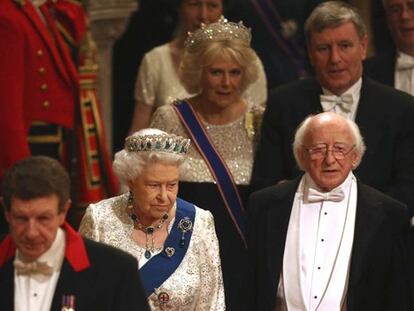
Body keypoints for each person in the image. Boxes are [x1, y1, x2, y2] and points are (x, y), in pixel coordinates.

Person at [251, 0, 414, 215]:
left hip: (376, 237)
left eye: (344, 46)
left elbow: (408, 189)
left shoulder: (401, 108)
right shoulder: (283, 103)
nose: (334, 59)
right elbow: (265, 186)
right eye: (323, 48)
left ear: (363, 47)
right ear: (310, 53)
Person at [149, 16, 262, 310]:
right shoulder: (171, 118)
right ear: (198, 72)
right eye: (216, 72)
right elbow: (148, 189)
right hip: (183, 257)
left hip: (244, 259)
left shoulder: (260, 120)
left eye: (235, 73)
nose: (226, 83)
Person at [246, 112, 410, 311]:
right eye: (318, 149)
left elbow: (398, 297)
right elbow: (249, 283)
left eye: (340, 149)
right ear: (300, 156)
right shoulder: (263, 205)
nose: (330, 159)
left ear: (356, 156)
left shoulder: (390, 215)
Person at [79, 128, 225, 310]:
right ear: (131, 181)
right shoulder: (99, 218)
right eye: (153, 185)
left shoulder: (200, 222)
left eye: (172, 185)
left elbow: (212, 303)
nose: (164, 196)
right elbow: (81, 293)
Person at [0, 156, 149, 311]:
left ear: (63, 211)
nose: (31, 233)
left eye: (43, 218)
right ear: (6, 211)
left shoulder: (116, 271)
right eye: (21, 218)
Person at [128, 0, 267, 133]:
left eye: (212, 5)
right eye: (194, 4)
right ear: (180, 7)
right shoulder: (155, 60)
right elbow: (138, 134)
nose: (203, 15)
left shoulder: (246, 61)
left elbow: (260, 128)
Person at [364, 0, 414, 95]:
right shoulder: (366, 74)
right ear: (387, 19)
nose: (404, 16)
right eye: (395, 10)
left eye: (412, 7)